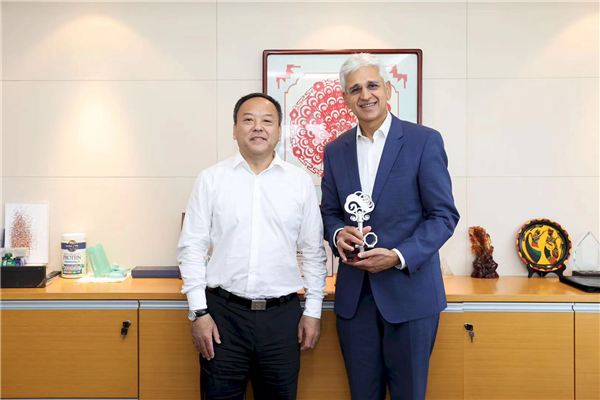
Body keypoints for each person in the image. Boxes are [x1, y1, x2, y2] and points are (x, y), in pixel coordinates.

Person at [320, 53, 460, 400]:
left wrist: (398, 255)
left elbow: (443, 216)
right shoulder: (335, 150)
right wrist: (337, 233)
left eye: (372, 85)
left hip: (411, 295)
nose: (365, 95)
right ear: (345, 99)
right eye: (355, 89)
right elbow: (330, 212)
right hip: (355, 299)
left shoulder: (423, 141)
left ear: (388, 89)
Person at [177, 93, 327, 400]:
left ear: (279, 131)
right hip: (222, 317)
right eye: (248, 120)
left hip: (282, 319)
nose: (258, 127)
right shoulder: (211, 179)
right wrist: (198, 313)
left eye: (267, 121)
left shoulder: (299, 182)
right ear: (234, 130)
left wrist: (313, 312)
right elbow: (191, 249)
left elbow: (314, 253)